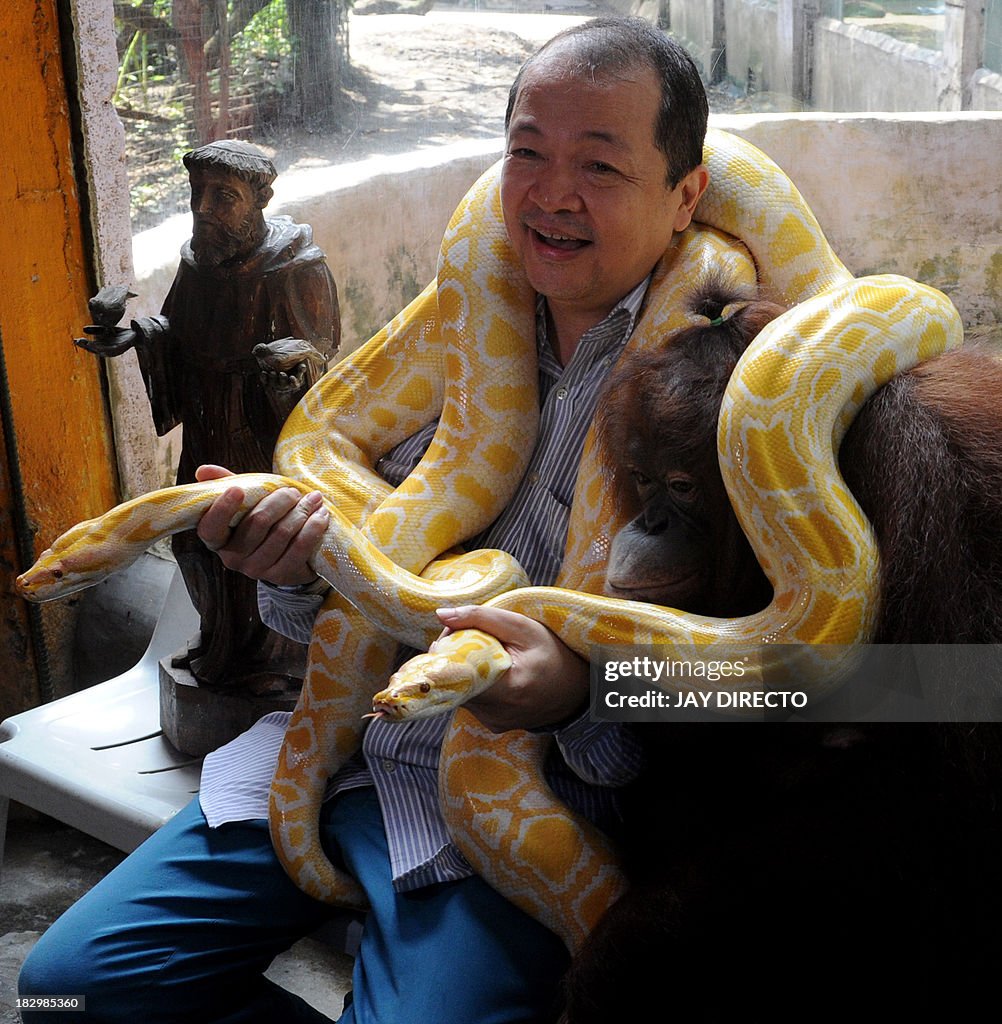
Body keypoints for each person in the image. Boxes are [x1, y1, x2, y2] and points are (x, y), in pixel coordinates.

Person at [20, 18, 710, 1023]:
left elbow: (793, 676)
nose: (552, 195)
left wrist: (579, 689)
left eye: (600, 166)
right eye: (527, 152)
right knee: (64, 995)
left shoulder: (723, 389)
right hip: (333, 756)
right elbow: (332, 604)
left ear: (688, 195)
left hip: (521, 819)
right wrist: (292, 573)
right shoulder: (452, 328)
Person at [77, 140, 340, 688]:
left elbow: (322, 353)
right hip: (206, 421)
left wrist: (286, 363)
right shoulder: (197, 261)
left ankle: (272, 663)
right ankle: (221, 646)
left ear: (259, 199)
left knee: (258, 543)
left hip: (259, 424)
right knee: (192, 541)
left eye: (224, 196)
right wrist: (132, 336)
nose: (204, 209)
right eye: (199, 194)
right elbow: (177, 329)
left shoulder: (295, 266)